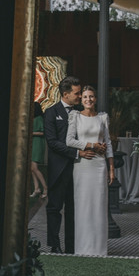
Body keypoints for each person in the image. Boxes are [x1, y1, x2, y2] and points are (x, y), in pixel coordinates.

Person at [43, 76, 96, 253]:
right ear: (65, 94)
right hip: (58, 169)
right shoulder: (51, 113)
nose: (80, 96)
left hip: (79, 169)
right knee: (54, 208)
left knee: (74, 210)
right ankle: (54, 245)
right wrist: (76, 152)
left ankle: (72, 246)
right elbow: (52, 142)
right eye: (77, 93)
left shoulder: (82, 111)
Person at [65, 85, 114, 256]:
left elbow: (108, 143)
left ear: (95, 99)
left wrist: (111, 168)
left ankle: (99, 249)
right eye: (85, 97)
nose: (88, 100)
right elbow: (69, 141)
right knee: (83, 205)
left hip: (100, 166)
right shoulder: (75, 116)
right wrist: (91, 145)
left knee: (99, 205)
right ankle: (82, 248)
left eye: (91, 96)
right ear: (82, 99)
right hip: (83, 165)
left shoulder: (102, 118)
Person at [29, 102, 47, 199]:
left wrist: (30, 133)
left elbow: (42, 132)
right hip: (33, 143)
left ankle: (45, 188)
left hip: (38, 144)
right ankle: (36, 189)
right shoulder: (33, 118)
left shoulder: (39, 118)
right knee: (31, 168)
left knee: (34, 168)